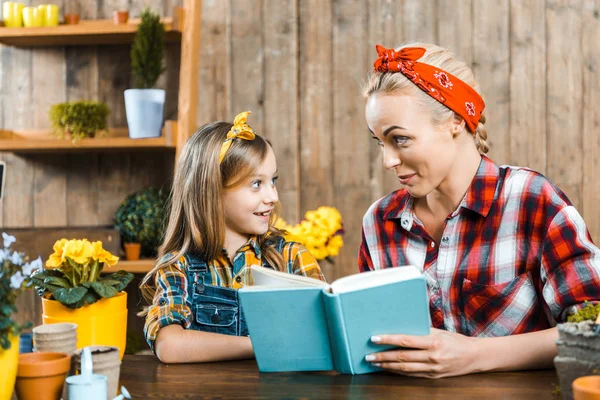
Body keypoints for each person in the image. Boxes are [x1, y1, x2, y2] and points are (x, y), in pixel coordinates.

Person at [359, 43, 600, 378]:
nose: (388, 161)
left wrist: (475, 355)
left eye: (399, 139)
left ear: (455, 120)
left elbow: (593, 330)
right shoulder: (379, 222)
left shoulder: (531, 201)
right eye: (379, 142)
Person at [140, 112, 325, 364]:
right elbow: (169, 345)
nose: (273, 196)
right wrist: (262, 344)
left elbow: (324, 333)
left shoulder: (291, 256)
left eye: (273, 181)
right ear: (212, 190)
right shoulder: (179, 267)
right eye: (257, 184)